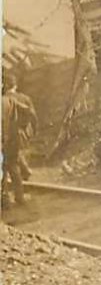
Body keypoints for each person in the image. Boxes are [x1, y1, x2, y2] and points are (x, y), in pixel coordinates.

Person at [2, 73, 37, 207]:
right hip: (15, 136)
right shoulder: (21, 99)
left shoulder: (4, 99)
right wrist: (29, 129)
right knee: (13, 165)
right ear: (15, 85)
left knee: (4, 169)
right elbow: (31, 114)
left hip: (3, 138)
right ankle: (19, 196)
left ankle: (4, 200)